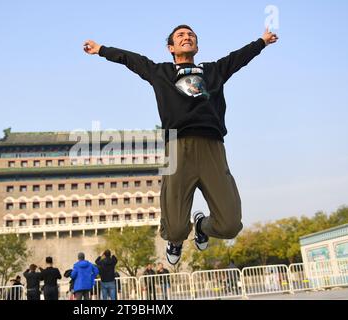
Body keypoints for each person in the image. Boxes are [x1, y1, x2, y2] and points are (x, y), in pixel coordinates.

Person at [84, 25, 278, 265]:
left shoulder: (214, 70)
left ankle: (202, 226)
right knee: (174, 228)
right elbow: (130, 60)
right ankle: (175, 240)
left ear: (196, 45)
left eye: (191, 35)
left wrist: (262, 41)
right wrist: (101, 49)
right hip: (177, 147)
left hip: (212, 148)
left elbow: (239, 58)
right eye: (181, 36)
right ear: (171, 48)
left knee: (229, 225)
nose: (187, 37)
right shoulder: (160, 72)